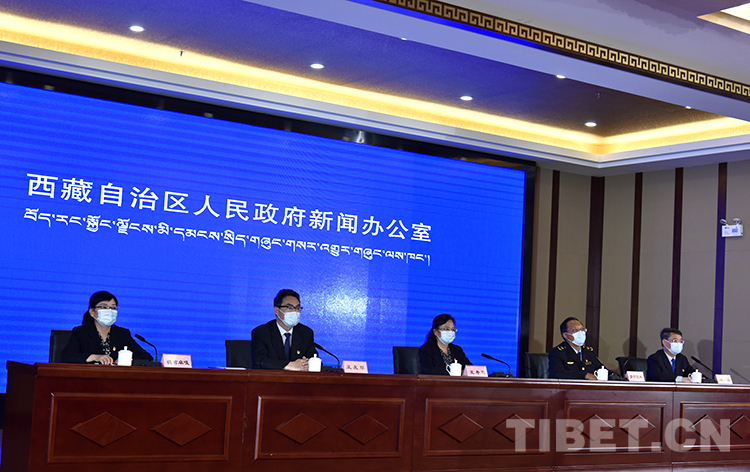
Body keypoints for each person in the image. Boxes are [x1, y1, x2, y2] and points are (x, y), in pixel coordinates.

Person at [61, 291, 153, 365]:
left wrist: (127, 360)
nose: (109, 311)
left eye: (113, 308)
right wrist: (95, 357)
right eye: (103, 307)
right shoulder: (81, 332)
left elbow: (147, 357)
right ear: (92, 312)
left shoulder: (122, 334)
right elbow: (66, 356)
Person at [251, 289, 316, 370]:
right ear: (277, 311)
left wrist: (308, 365)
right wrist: (290, 365)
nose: (295, 311)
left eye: (297, 308)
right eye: (289, 307)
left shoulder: (306, 333)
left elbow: (314, 358)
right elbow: (259, 361)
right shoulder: (262, 332)